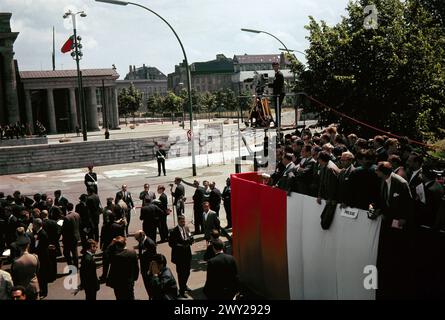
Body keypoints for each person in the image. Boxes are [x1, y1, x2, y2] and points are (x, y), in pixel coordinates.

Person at [169, 215, 194, 298]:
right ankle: (182, 291)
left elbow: (189, 236)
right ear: (178, 221)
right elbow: (171, 243)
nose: (183, 223)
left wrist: (191, 240)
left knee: (187, 272)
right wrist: (181, 246)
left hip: (187, 254)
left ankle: (184, 285)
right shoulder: (173, 231)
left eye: (184, 221)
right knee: (181, 274)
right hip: (179, 257)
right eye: (182, 222)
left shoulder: (186, 228)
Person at [30, 218, 50, 298]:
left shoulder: (43, 234)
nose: (32, 225)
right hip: (39, 257)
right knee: (40, 276)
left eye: (33, 224)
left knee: (43, 276)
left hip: (43, 258)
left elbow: (41, 247)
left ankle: (44, 292)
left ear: (37, 225)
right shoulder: (38, 233)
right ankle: (41, 290)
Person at [134, 230, 157, 298]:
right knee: (147, 285)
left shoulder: (150, 243)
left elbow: (153, 258)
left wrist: (150, 271)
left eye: (137, 239)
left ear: (142, 236)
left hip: (149, 269)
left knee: (151, 286)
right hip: (144, 268)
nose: (137, 240)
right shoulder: (142, 241)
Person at [61, 203, 80, 269]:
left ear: (66, 208)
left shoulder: (66, 217)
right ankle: (76, 266)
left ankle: (71, 267)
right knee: (75, 253)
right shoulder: (77, 214)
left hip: (68, 238)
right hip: (76, 236)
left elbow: (64, 229)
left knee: (66, 253)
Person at [269, 61, 285, 128]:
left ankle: (278, 124)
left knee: (278, 109)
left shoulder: (279, 74)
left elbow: (278, 85)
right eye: (274, 66)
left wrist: (269, 85)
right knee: (276, 109)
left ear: (278, 66)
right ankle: (277, 123)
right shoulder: (276, 74)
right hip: (277, 94)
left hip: (279, 94)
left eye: (276, 66)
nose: (275, 67)